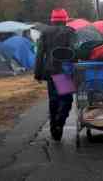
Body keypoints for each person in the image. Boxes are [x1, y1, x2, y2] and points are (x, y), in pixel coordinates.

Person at [34, 8, 77, 141]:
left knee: (53, 100)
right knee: (66, 100)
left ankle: (55, 131)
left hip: (49, 71)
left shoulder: (45, 33)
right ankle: (59, 122)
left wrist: (38, 73)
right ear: (65, 19)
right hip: (64, 72)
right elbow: (74, 52)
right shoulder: (70, 32)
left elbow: (40, 54)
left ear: (52, 20)